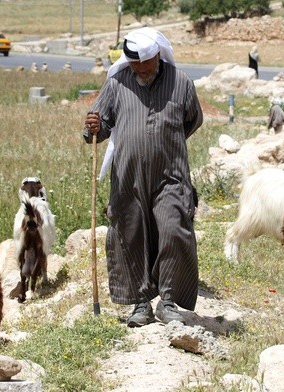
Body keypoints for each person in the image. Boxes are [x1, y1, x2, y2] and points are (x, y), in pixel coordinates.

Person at [83, 27, 203, 328]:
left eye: (144, 64)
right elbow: (98, 128)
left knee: (174, 229)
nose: (138, 69)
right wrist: (92, 126)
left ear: (157, 57)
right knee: (131, 234)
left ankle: (169, 301)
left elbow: (192, 119)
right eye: (133, 63)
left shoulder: (181, 83)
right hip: (128, 177)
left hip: (170, 175)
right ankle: (140, 304)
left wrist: (165, 141)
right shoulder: (116, 84)